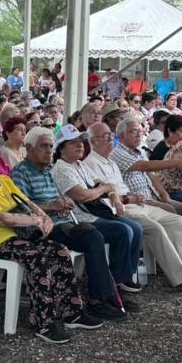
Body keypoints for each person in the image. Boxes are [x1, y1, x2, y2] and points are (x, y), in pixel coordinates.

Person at [0, 137, 101, 344]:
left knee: (59, 250)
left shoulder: (4, 180)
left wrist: (44, 218)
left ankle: (71, 312)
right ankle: (43, 322)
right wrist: (34, 220)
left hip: (16, 236)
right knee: (37, 256)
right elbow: (0, 218)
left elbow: (28, 202)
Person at [84, 122, 182, 294]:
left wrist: (163, 198)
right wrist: (130, 199)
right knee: (155, 229)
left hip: (139, 203)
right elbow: (105, 194)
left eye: (111, 135)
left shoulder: (109, 160)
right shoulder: (93, 163)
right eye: (106, 136)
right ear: (93, 141)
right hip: (122, 207)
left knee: (178, 221)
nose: (111, 139)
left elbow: (149, 175)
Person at [11, 127, 129, 317]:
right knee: (92, 238)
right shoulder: (20, 172)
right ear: (29, 148)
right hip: (39, 228)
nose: (49, 150)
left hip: (61, 221)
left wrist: (64, 203)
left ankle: (111, 292)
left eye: (50, 146)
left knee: (110, 232)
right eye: (43, 146)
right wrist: (52, 206)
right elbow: (21, 207)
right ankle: (98, 299)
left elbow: (60, 199)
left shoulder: (49, 170)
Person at [51, 125, 143, 293]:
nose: (80, 145)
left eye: (80, 141)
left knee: (136, 228)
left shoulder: (79, 164)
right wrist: (103, 189)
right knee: (122, 231)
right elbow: (82, 195)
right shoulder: (61, 168)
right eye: (73, 143)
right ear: (61, 148)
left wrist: (113, 195)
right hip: (79, 218)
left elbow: (101, 183)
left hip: (96, 211)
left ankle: (125, 277)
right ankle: (115, 283)